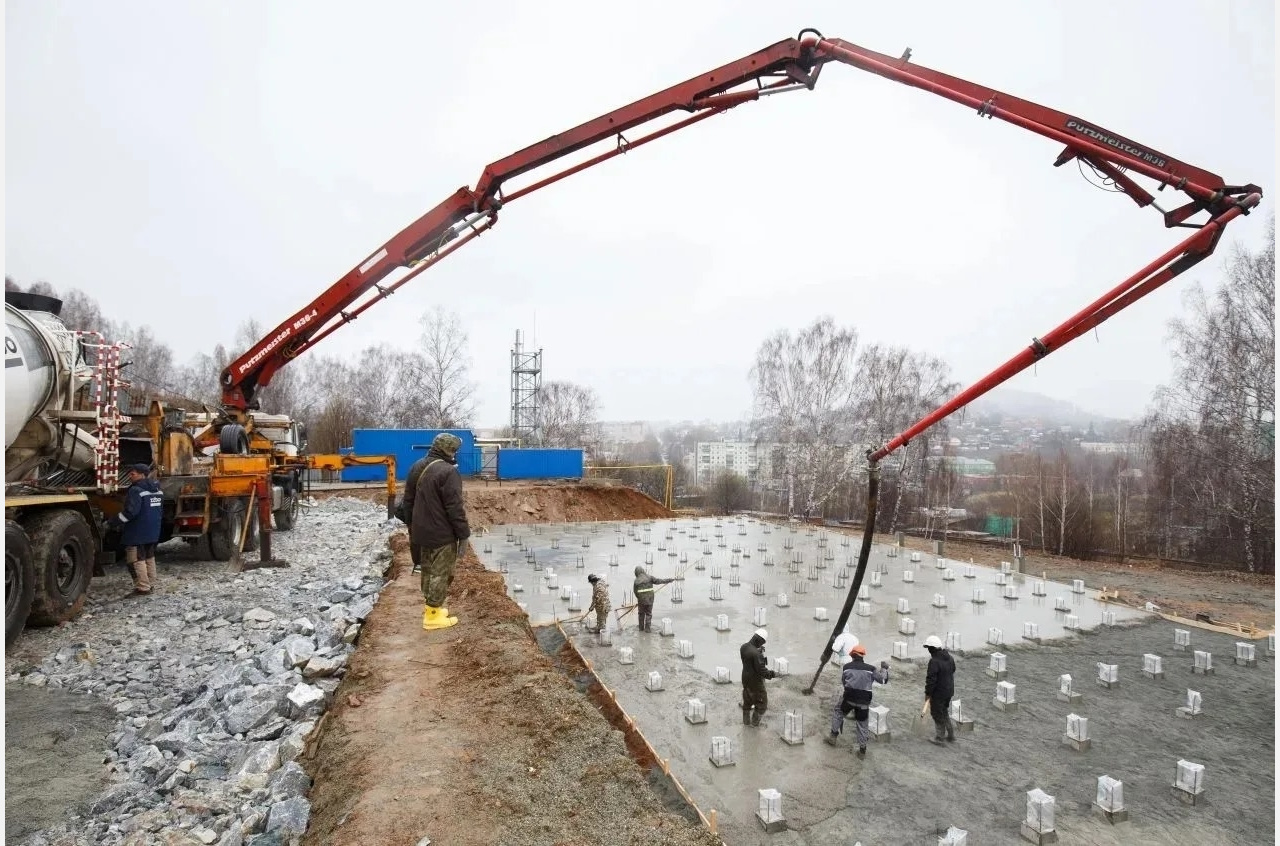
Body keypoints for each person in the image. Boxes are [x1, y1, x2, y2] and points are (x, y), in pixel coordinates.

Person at [402, 432, 470, 630]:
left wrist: (412, 526)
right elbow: (455, 508)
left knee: (428, 570)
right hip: (442, 534)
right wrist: (463, 533)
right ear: (449, 451)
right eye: (455, 450)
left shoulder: (417, 466)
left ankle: (432, 608)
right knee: (441, 573)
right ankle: (432, 617)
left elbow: (408, 501)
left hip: (421, 531)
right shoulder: (448, 472)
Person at [109, 464, 164, 596]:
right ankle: (151, 584)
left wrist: (112, 522)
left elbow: (131, 512)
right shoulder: (157, 489)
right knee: (149, 557)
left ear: (142, 474)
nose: (130, 476)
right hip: (153, 530)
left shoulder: (135, 490)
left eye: (133, 474)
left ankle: (143, 588)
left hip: (137, 530)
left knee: (135, 560)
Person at [825, 643, 890, 756]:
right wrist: (884, 668)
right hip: (864, 701)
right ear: (863, 656)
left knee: (838, 712)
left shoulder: (846, 668)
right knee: (862, 723)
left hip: (849, 698)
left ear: (852, 656)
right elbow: (883, 680)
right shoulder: (871, 669)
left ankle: (833, 736)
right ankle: (862, 750)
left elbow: (844, 683)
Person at [397, 450, 439, 574]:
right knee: (426, 536)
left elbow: (409, 492)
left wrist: (408, 517)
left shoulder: (417, 464)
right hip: (423, 508)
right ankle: (425, 564)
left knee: (415, 535)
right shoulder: (435, 467)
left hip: (412, 507)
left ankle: (418, 564)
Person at [922, 634, 957, 745]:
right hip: (949, 691)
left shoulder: (934, 661)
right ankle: (951, 735)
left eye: (929, 648)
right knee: (944, 711)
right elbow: (953, 669)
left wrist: (928, 694)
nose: (928, 650)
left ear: (933, 648)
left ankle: (939, 737)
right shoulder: (950, 658)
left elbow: (931, 680)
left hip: (939, 693)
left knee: (937, 713)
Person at [740, 628, 777, 726]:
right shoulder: (757, 655)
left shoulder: (744, 647)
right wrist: (773, 674)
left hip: (745, 679)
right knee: (762, 705)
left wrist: (758, 650)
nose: (761, 645)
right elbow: (762, 671)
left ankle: (746, 723)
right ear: (759, 640)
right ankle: (754, 724)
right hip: (756, 684)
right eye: (762, 643)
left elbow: (750, 657)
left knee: (747, 703)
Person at [632, 565, 673, 633]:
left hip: (641, 600)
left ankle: (641, 628)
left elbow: (635, 592)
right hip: (650, 599)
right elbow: (659, 581)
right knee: (648, 613)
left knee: (641, 614)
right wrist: (669, 580)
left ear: (636, 572)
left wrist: (639, 598)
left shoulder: (636, 581)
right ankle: (647, 629)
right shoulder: (650, 577)